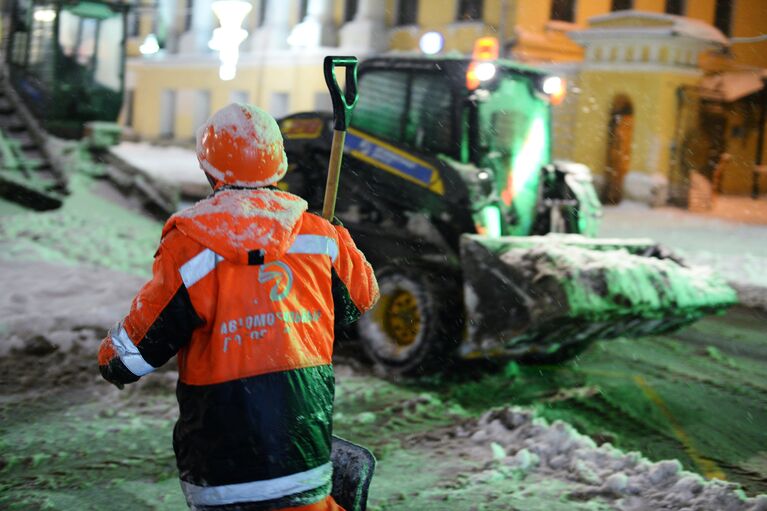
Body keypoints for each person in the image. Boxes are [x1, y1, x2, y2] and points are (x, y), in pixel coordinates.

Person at [97, 103, 379, 511]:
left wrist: (110, 357)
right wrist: (338, 238)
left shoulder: (190, 246)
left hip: (221, 470)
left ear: (208, 169)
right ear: (278, 165)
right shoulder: (318, 237)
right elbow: (360, 298)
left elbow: (132, 357)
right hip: (302, 454)